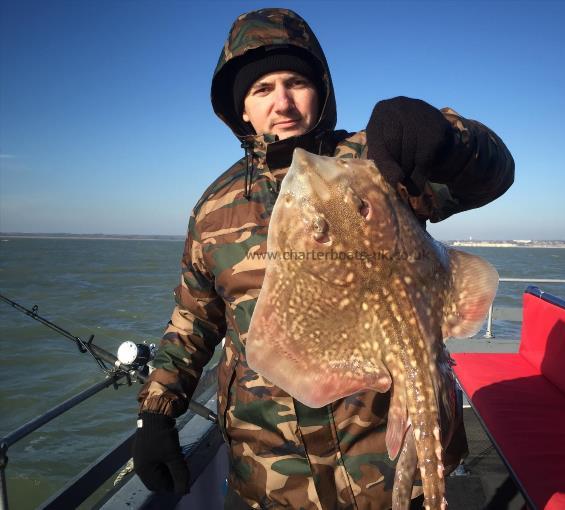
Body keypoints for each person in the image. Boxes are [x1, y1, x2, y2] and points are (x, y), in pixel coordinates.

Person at [133, 7, 514, 509]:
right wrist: (158, 411)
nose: (282, 102)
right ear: (241, 109)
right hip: (269, 470)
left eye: (296, 83)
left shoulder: (374, 162)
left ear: (322, 91)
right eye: (261, 89)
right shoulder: (214, 209)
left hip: (382, 449)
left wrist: (447, 142)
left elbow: (491, 175)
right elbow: (194, 318)